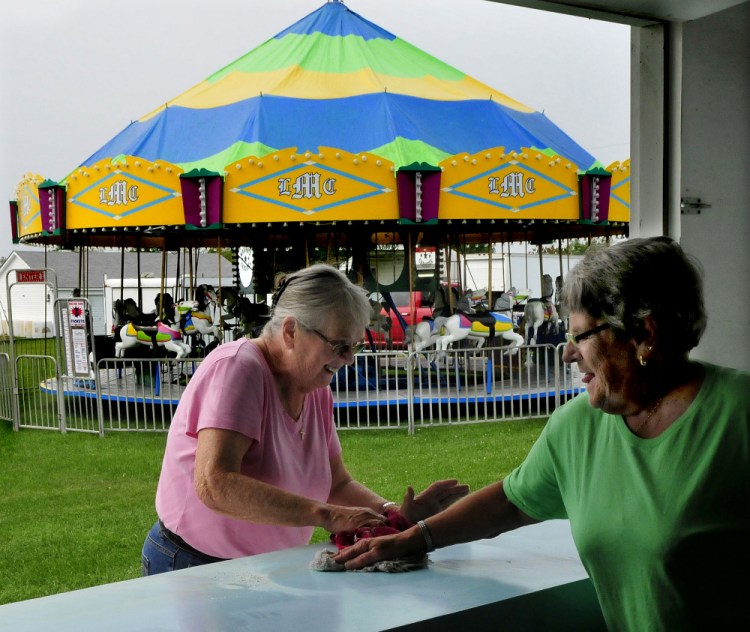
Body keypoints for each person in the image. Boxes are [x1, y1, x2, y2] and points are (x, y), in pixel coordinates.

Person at [334, 237, 750, 630]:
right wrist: (414, 539)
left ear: (643, 334)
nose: (568, 351)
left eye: (581, 336)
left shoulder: (737, 414)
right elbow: (511, 503)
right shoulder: (577, 425)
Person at [142, 263, 469, 574]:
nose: (348, 360)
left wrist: (393, 515)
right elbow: (215, 485)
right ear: (290, 332)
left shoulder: (315, 388)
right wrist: (327, 516)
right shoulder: (239, 368)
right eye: (339, 346)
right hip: (193, 565)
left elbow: (336, 483)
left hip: (261, 567)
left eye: (353, 347)